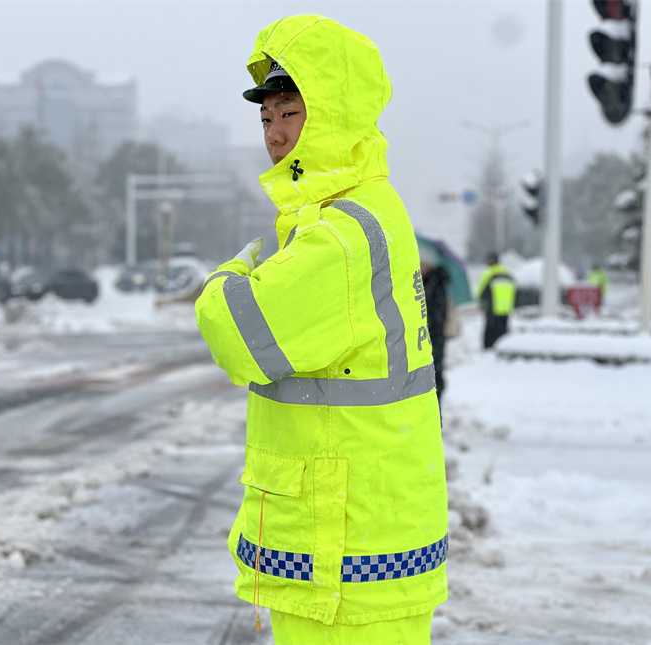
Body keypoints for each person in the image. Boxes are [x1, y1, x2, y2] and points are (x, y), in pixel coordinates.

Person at [195, 15, 448, 645]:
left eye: (291, 113)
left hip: (344, 556)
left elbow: (237, 331)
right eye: (266, 118)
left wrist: (232, 271)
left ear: (334, 113)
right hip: (362, 539)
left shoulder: (341, 236)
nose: (275, 135)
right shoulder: (359, 212)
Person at [420, 246, 450, 410]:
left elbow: (438, 309)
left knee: (434, 367)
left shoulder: (437, 282)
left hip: (435, 333)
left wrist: (429, 318)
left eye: (422, 263)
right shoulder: (423, 281)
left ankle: (436, 404)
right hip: (427, 333)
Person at [474, 252, 516, 349]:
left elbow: (481, 291)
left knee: (490, 330)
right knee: (503, 329)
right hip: (506, 307)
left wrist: (481, 302)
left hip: (492, 307)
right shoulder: (507, 273)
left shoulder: (489, 273)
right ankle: (504, 346)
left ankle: (489, 347)